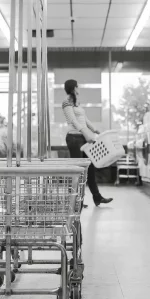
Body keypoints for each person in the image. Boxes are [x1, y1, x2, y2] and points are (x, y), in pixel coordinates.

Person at [62, 79, 113, 207]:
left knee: (90, 169)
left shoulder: (77, 103)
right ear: (74, 88)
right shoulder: (66, 103)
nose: (79, 88)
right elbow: (73, 121)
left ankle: (97, 197)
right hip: (74, 138)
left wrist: (95, 130)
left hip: (82, 138)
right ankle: (75, 202)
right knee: (78, 171)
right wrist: (86, 133)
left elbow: (85, 119)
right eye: (77, 86)